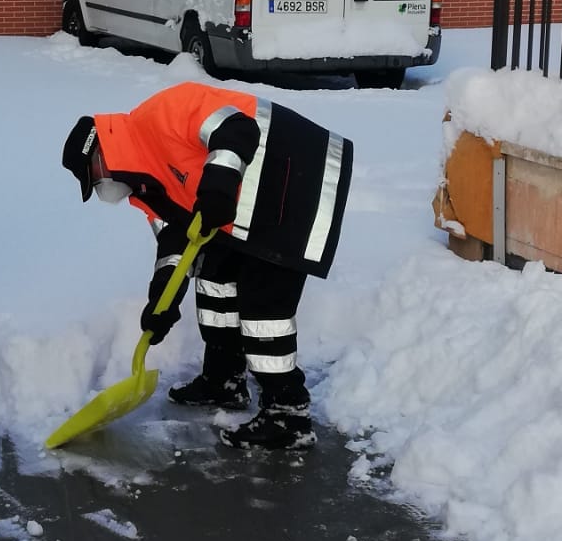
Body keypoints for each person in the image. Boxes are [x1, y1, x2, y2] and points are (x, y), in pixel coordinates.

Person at [62, 83, 353, 451]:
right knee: (214, 276)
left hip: (293, 175)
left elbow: (236, 129)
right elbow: (174, 243)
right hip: (245, 205)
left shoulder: (162, 112)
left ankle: (287, 414)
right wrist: (161, 303)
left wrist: (217, 188)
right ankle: (224, 380)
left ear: (100, 154)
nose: (106, 189)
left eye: (97, 179)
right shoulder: (146, 187)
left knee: (264, 306)